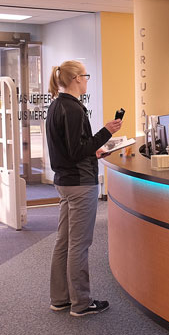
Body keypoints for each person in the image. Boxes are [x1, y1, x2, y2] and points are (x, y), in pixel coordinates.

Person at [46, 60, 122, 317]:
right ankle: (80, 303)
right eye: (86, 76)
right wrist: (106, 133)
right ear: (77, 78)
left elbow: (71, 149)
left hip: (64, 181)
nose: (87, 80)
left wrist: (94, 150)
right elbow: (78, 149)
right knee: (79, 244)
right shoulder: (75, 109)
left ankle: (60, 298)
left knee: (64, 242)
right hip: (80, 184)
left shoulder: (56, 105)